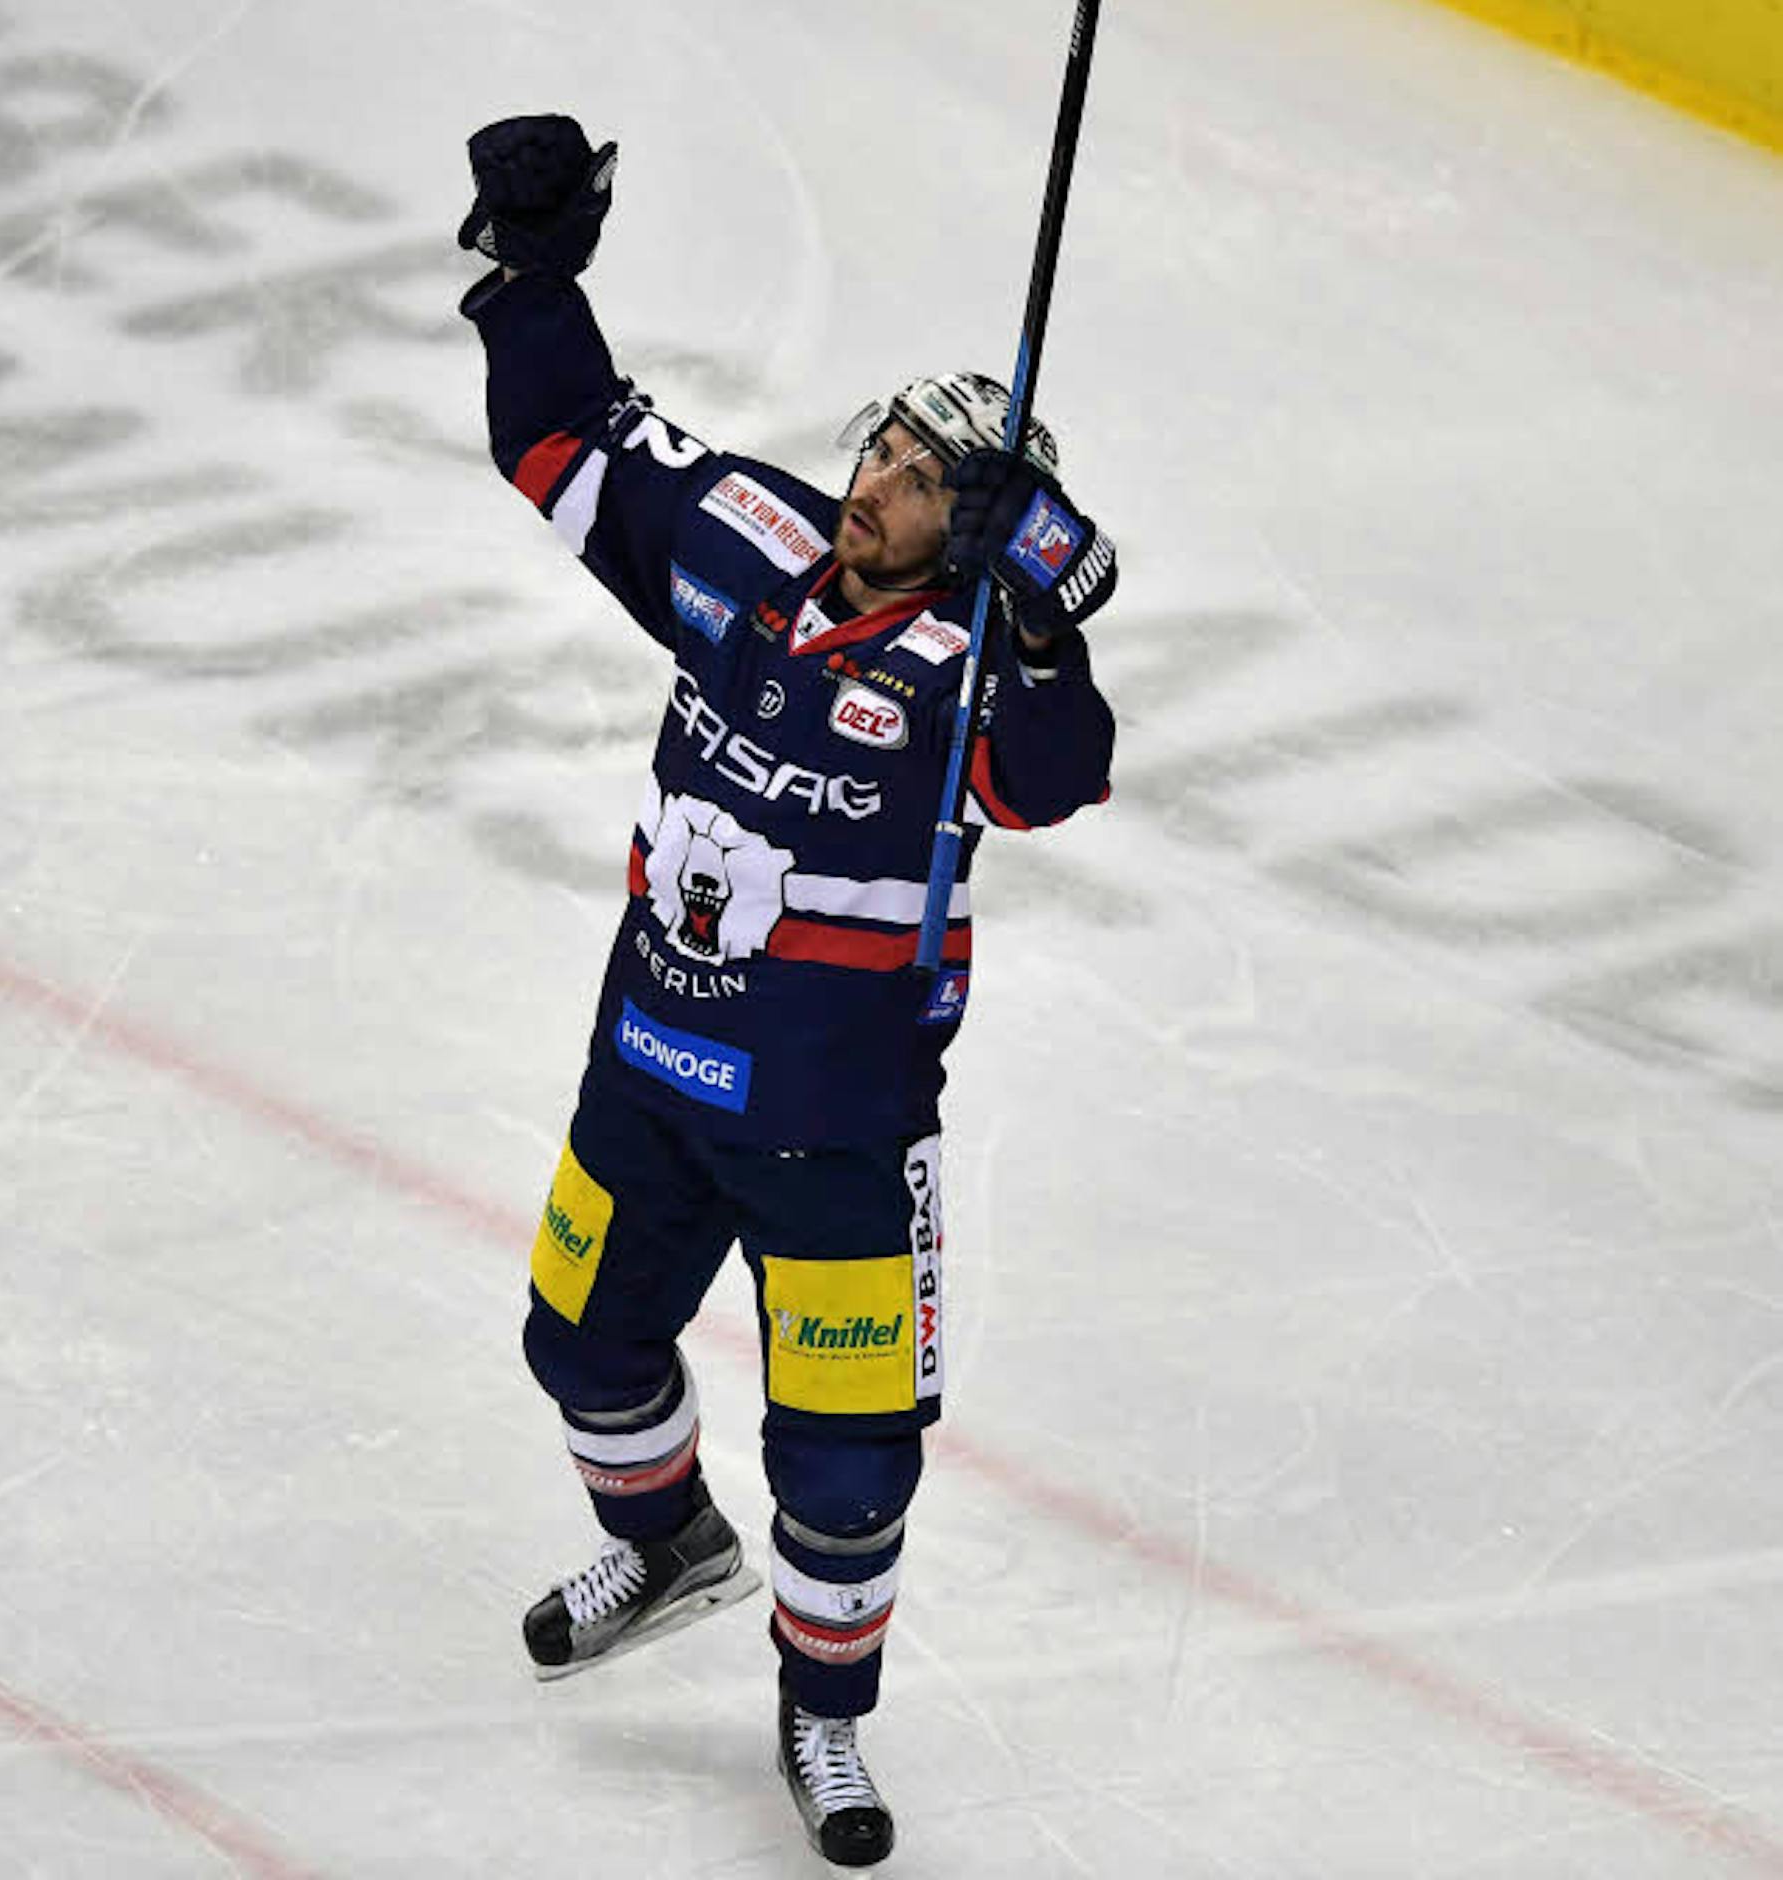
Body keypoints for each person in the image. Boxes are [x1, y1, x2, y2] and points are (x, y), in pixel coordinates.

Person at [456, 114, 1118, 1869]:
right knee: (577, 1343)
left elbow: (1053, 779)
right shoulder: (752, 542)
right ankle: (669, 1539)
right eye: (884, 441)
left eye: (918, 471)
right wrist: (534, 273)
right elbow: (566, 442)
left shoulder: (967, 667)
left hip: (834, 1136)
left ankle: (821, 1721)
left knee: (844, 1475)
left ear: (975, 529)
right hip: (652, 1068)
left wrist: (1048, 636)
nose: (877, 475)